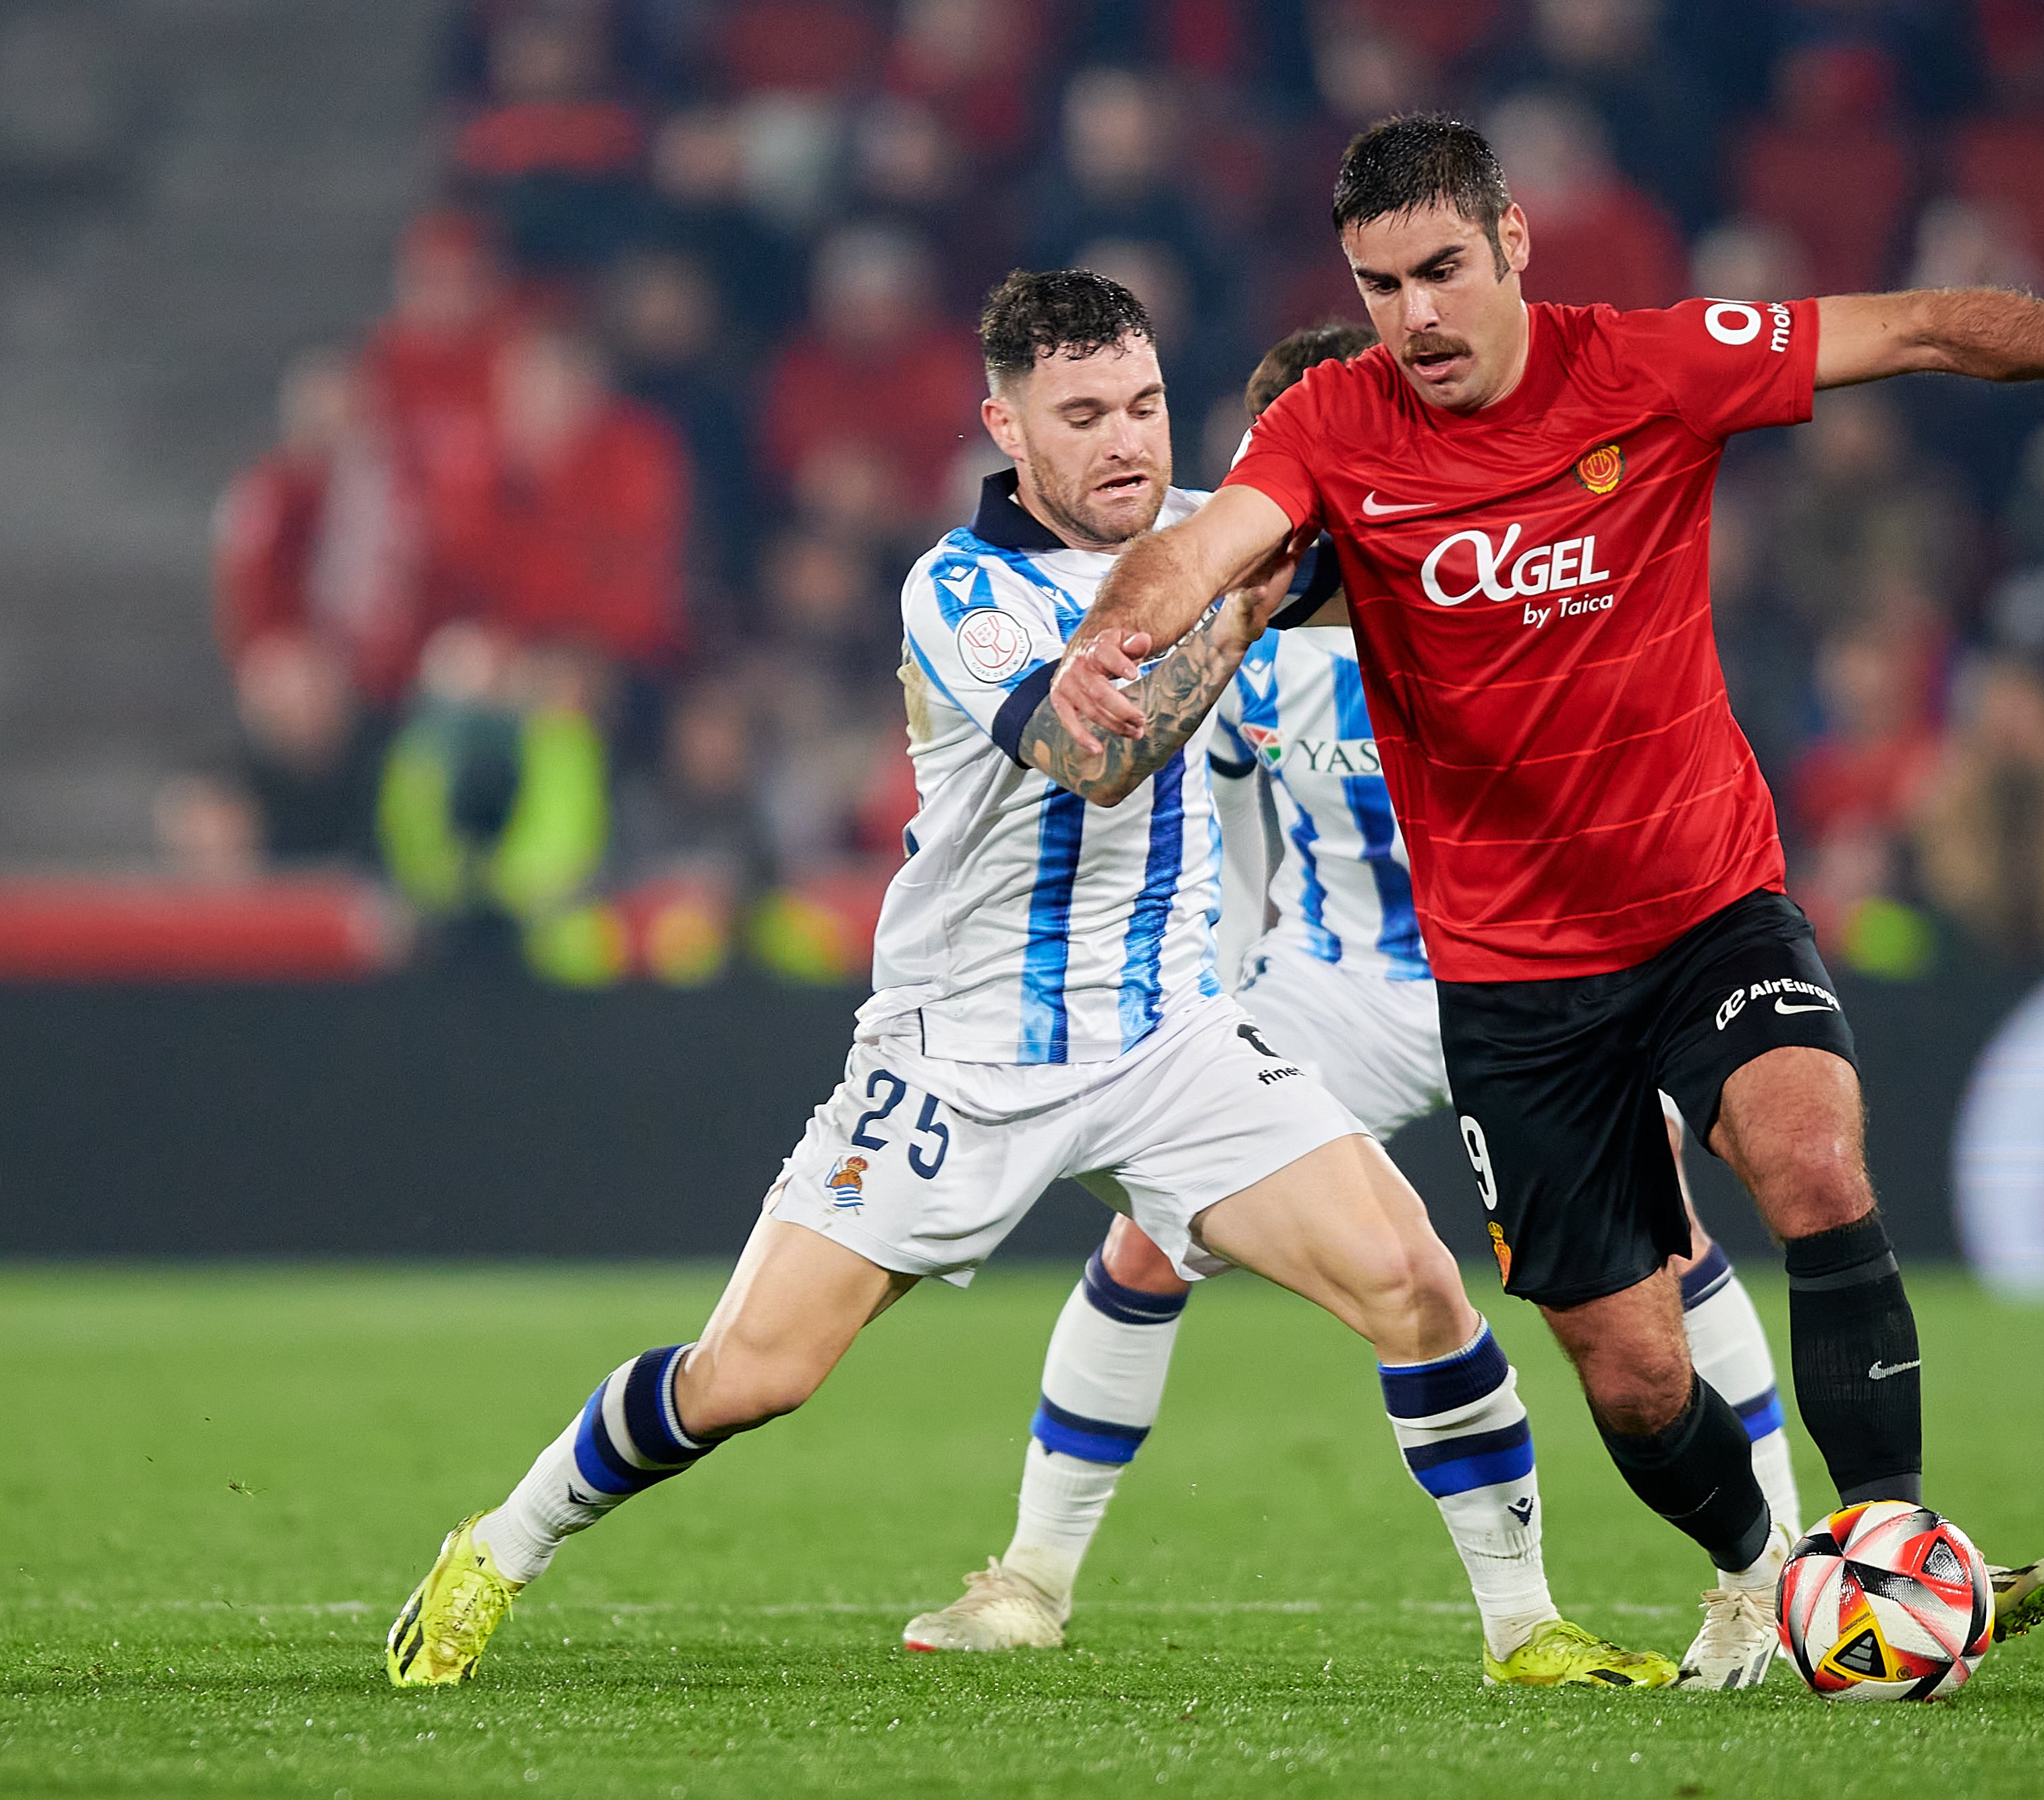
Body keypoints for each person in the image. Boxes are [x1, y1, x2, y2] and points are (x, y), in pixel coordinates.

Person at [1049, 114, 2044, 1689]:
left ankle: (1887, 1543)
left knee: (1809, 1153)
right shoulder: (1333, 428)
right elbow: (1197, 555)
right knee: (1629, 1373)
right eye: (1377, 285)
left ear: (1512, 248)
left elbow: (1916, 325)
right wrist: (1109, 636)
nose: (1414, 316)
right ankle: (1763, 1571)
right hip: (1507, 975)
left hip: (1702, 898)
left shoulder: (1646, 363)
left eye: (1439, 271)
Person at [384, 270, 1669, 1693]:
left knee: (1418, 1286)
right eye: (1083, 416)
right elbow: (1096, 756)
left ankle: (1522, 1629)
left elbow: (1426, 574)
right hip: (964, 1056)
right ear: (1008, 426)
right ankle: (500, 1542)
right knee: (751, 1374)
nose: (1126, 442)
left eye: (1142, 406)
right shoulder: (962, 589)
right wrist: (1242, 615)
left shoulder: (1208, 531)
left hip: (1172, 1039)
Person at [902, 323, 1802, 1658]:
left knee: (1659, 1233)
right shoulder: (1232, 635)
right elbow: (1216, 840)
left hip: (1517, 969)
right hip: (1337, 987)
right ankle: (1030, 1574)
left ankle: (1785, 1567)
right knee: (1152, 1239)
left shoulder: (1469, 595)